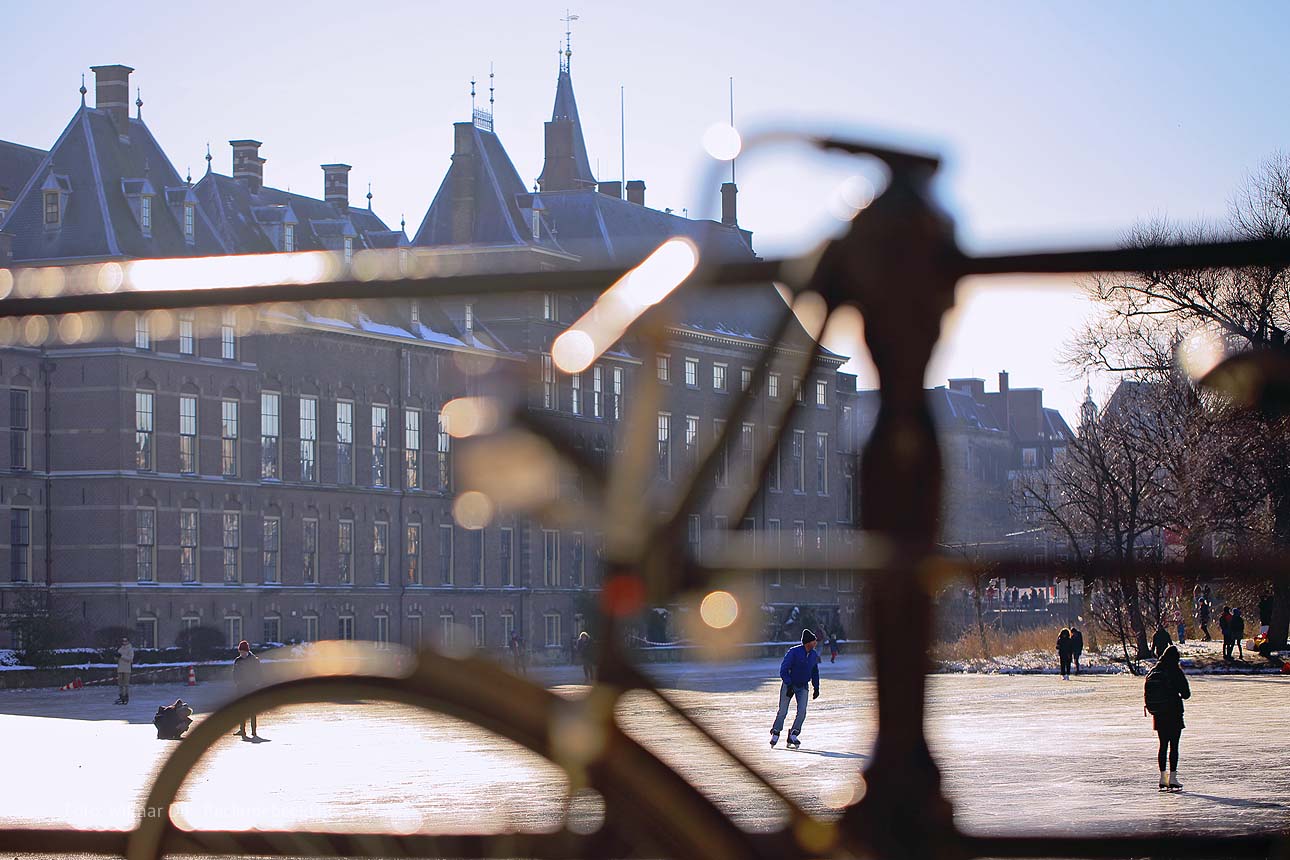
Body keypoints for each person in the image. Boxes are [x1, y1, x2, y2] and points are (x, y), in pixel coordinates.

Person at [1143, 644, 1190, 791]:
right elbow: (1186, 694)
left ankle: (1163, 777)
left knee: (1163, 745)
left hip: (1158, 714)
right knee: (1174, 745)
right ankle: (1173, 778)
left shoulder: (1154, 671)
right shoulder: (1174, 671)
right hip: (1173, 712)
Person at [769, 629, 822, 750]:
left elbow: (815, 671)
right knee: (783, 711)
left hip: (803, 686)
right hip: (789, 685)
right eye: (814, 640)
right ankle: (776, 731)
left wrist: (816, 687)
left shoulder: (813, 655)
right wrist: (789, 684)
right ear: (809, 642)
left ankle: (794, 733)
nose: (816, 643)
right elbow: (784, 669)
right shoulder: (793, 652)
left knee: (802, 711)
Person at [232, 640, 262, 739]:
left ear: (247, 651)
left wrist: (256, 683)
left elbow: (259, 673)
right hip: (241, 688)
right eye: (240, 652)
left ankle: (253, 731)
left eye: (243, 652)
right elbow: (235, 673)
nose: (242, 654)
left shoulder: (254, 660)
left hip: (251, 687)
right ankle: (242, 730)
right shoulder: (238, 660)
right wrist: (236, 681)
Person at [115, 637, 135, 705]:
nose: (124, 642)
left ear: (128, 641)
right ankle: (121, 697)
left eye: (125, 641)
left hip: (127, 669)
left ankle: (125, 697)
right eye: (123, 641)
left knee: (125, 684)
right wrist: (116, 656)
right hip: (120, 669)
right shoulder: (120, 649)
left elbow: (130, 659)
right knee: (120, 684)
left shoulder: (130, 649)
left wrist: (122, 656)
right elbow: (117, 658)